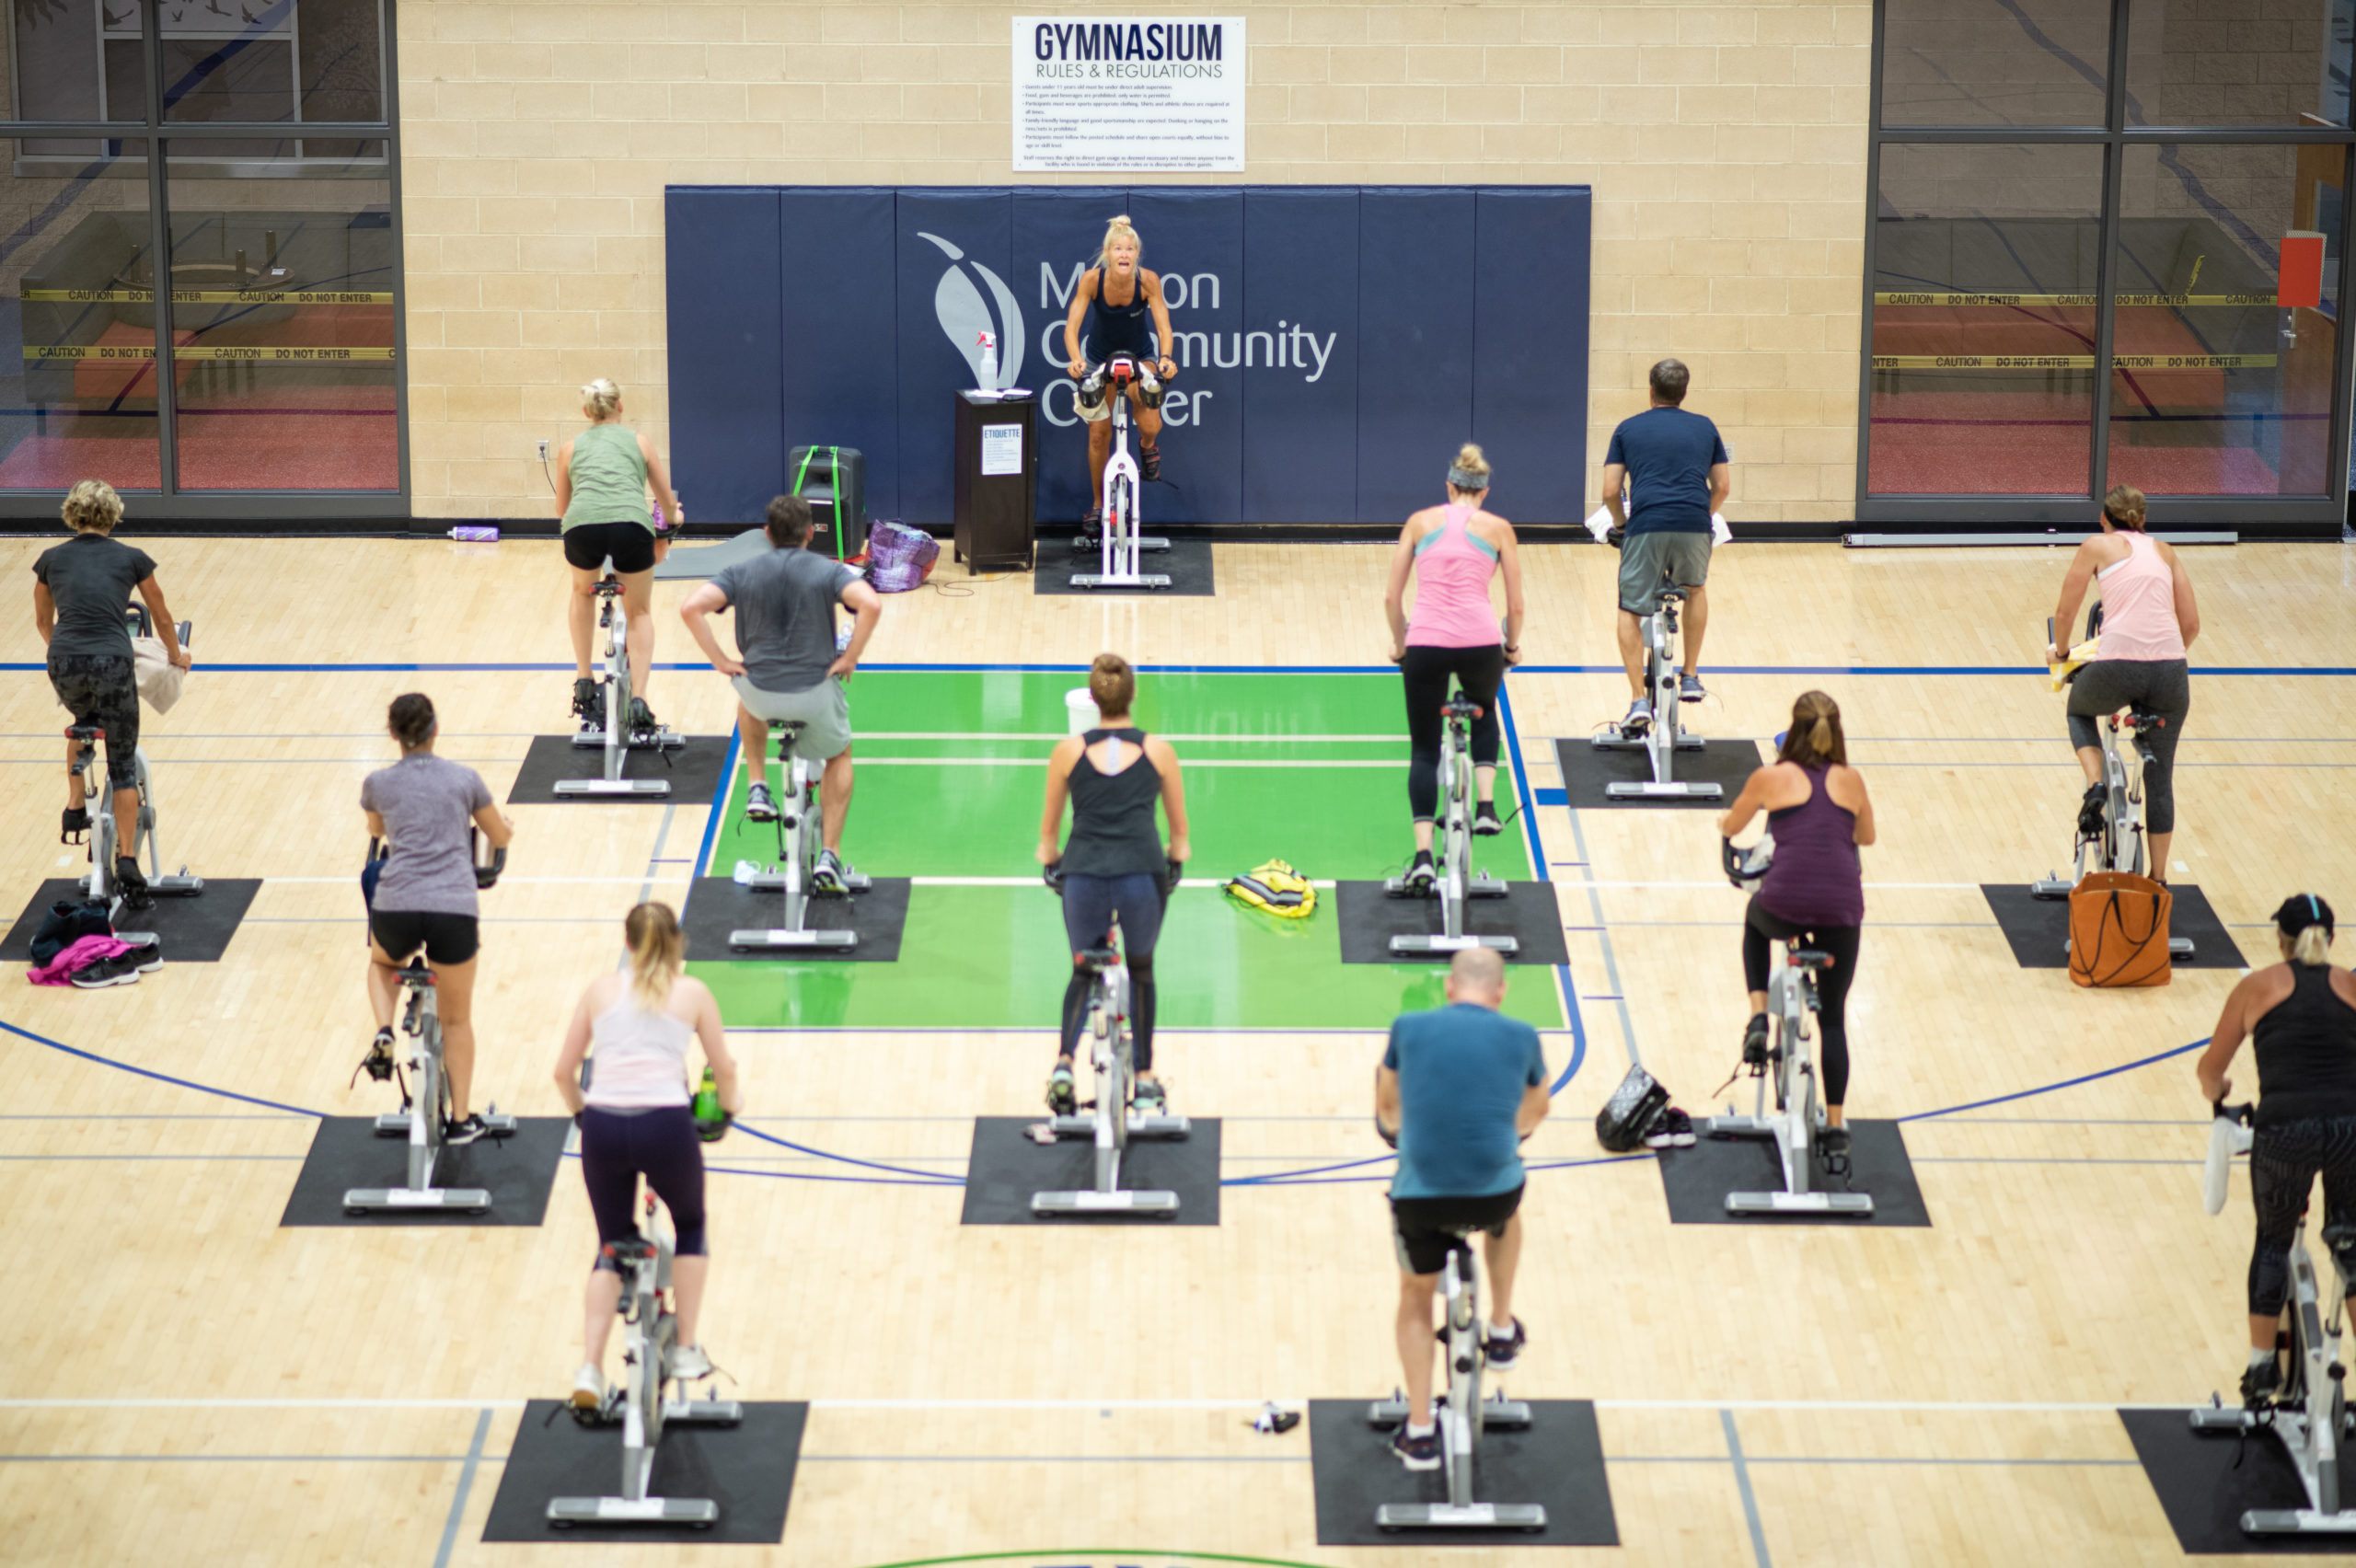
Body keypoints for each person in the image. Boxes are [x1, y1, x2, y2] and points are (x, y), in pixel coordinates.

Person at [554, 902, 741, 1405]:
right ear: (677, 942)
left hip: (605, 1126)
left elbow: (563, 1072)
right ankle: (684, 1347)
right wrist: (729, 1107)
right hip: (665, 1123)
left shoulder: (601, 990)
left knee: (610, 1243)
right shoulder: (693, 992)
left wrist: (581, 1114)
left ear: (629, 944)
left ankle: (590, 1369)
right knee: (691, 1225)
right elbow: (723, 1067)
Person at [1373, 947, 1549, 1470]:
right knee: (1507, 1214)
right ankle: (1498, 1327)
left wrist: (1404, 1136)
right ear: (1501, 992)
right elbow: (1537, 1108)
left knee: (1415, 1295)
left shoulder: (1407, 1026)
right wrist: (1507, 1136)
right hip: (1492, 1193)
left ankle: (1422, 1431)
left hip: (1421, 1198)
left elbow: (1387, 1108)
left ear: (1448, 988)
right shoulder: (1523, 1036)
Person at [2195, 895, 2356, 1404]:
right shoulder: (2352, 987)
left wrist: (2219, 1094)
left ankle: (2262, 1368)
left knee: (2273, 1240)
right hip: (2350, 1131)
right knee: (2352, 1245)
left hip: (2285, 1131)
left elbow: (2209, 1070)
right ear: (2329, 939)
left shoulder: (2258, 987)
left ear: (2281, 940)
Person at [679, 495, 884, 891]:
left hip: (761, 691)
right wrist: (851, 657)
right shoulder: (827, 570)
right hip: (814, 691)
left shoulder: (741, 570)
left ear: (767, 534)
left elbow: (691, 608)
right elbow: (870, 604)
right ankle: (831, 855)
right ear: (811, 532)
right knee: (840, 753)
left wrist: (720, 660)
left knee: (747, 702)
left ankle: (758, 786)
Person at [1717, 691, 1875, 1151]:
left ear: (1794, 729)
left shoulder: (1771, 776)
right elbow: (1866, 836)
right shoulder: (1852, 779)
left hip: (1785, 902)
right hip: (1842, 909)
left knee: (1754, 921)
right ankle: (1839, 1126)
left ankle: (1758, 1018)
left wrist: (1722, 826)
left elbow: (1733, 826)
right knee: (1832, 1019)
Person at [1037, 653, 1189, 1114]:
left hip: (1082, 876)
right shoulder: (1160, 752)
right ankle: (1143, 1079)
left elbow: (1047, 839)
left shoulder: (1067, 752)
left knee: (1083, 969)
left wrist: (1054, 864)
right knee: (1141, 970)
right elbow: (1179, 837)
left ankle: (1063, 1064)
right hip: (1142, 877)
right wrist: (1173, 863)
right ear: (1133, 695)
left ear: (1093, 699)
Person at [359, 693, 514, 1142]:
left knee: (382, 963)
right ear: (435, 729)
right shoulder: (465, 779)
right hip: (452, 908)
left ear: (393, 735)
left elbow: (376, 830)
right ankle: (461, 1120)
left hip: (397, 907)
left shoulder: (376, 784)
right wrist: (506, 826)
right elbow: (498, 835)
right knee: (456, 1019)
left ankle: (386, 1031)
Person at [31, 479, 191, 896]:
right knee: (121, 767)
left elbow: (43, 622)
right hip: (112, 664)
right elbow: (160, 613)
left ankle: (73, 803)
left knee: (81, 720)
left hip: (64, 663)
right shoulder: (133, 558)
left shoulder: (49, 559)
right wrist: (176, 654)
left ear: (72, 513)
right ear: (113, 515)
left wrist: (64, 655)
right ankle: (127, 859)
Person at [1383, 444, 1525, 887]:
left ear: (1449, 486)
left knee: (1425, 748)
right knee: (1484, 714)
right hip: (1481, 641)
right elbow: (1516, 606)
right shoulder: (1499, 529)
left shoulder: (1420, 522)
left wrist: (1399, 644)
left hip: (1425, 642)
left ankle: (1424, 855)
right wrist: (1512, 648)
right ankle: (1485, 805)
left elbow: (1391, 597)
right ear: (1484, 492)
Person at [2046, 483, 2200, 874]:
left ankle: (2096, 783)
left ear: (2103, 519)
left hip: (2116, 665)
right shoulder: (2165, 551)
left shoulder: (2095, 546)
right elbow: (2192, 625)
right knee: (2160, 777)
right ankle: (2159, 880)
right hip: (2170, 669)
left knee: (2079, 711)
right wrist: (2163, 657)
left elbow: (2065, 614)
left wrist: (2062, 654)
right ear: (2143, 520)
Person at [1599, 359, 1730, 732]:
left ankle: (1638, 699)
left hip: (1646, 526)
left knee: (1630, 608)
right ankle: (1689, 674)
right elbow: (1722, 487)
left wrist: (1621, 526)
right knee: (1695, 588)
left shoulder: (1628, 429)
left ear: (1650, 390)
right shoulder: (1705, 427)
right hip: (1693, 523)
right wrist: (1701, 513)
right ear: (1683, 392)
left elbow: (1610, 491)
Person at [554, 377, 684, 729]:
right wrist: (674, 519)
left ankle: (584, 680)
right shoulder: (639, 442)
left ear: (586, 412)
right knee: (639, 612)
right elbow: (665, 499)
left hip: (583, 526)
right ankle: (639, 699)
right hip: (630, 525)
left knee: (582, 591)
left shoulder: (570, 448)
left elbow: (562, 509)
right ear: (620, 406)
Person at [1062, 214, 1179, 528]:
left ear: (1137, 254)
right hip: (1101, 359)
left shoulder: (1148, 281)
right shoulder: (1091, 280)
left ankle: (1146, 447)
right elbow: (1071, 327)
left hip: (1142, 358)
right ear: (1107, 253)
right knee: (1099, 436)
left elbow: (1164, 327)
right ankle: (1099, 504)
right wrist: (1076, 360)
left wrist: (1166, 358)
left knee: (1151, 425)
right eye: (1117, 249)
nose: (1124, 254)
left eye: (1129, 249)